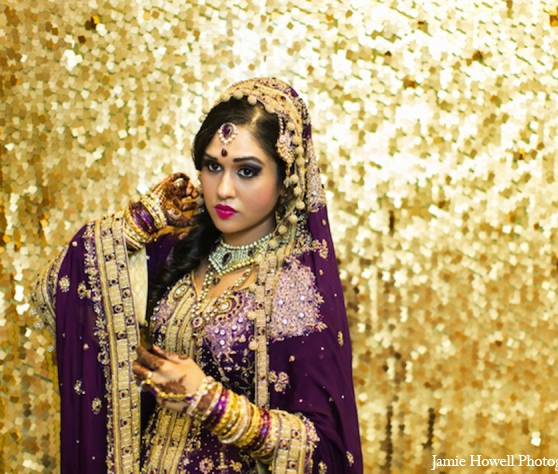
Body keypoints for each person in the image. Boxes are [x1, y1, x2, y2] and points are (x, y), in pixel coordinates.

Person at [31, 77, 363, 473]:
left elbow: (323, 452)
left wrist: (212, 403)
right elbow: (55, 293)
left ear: (285, 178)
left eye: (247, 171)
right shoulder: (177, 252)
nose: (223, 189)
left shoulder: (296, 288)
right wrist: (139, 222)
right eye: (212, 166)